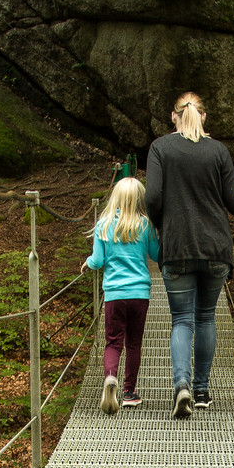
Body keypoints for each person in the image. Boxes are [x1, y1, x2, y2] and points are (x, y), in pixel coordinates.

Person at [144, 91, 234, 418]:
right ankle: (203, 391)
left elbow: (152, 196)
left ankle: (182, 385)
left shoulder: (160, 148)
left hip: (177, 246)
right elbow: (231, 199)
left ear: (174, 117)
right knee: (206, 317)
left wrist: (162, 222)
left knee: (181, 320)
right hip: (216, 247)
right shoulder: (218, 151)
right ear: (203, 117)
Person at [86, 175, 159, 414]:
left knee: (113, 342)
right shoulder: (145, 224)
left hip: (114, 294)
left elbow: (97, 261)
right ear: (140, 199)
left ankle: (110, 377)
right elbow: (157, 256)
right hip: (139, 294)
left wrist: (87, 262)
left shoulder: (103, 225)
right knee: (134, 343)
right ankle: (129, 392)